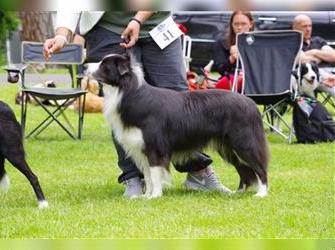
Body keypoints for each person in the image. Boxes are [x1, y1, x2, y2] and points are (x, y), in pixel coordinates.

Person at [44, 11, 231, 198]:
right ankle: (133, 177)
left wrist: (138, 18)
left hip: (158, 26)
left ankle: (198, 171)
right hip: (108, 29)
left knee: (179, 98)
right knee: (122, 106)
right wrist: (62, 35)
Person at [292, 14, 335, 98]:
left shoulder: (317, 40)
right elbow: (303, 60)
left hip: (331, 71)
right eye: (304, 26)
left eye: (310, 26)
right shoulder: (293, 42)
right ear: (295, 28)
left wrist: (314, 52)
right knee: (331, 84)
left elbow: (333, 56)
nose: (308, 29)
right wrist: (323, 56)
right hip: (313, 75)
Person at [213, 11, 255, 92]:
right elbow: (220, 69)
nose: (239, 27)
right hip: (232, 79)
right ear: (232, 25)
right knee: (226, 82)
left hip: (254, 80)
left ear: (251, 24)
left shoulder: (258, 42)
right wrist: (231, 58)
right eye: (236, 24)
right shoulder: (223, 42)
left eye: (243, 24)